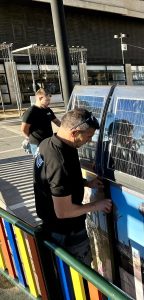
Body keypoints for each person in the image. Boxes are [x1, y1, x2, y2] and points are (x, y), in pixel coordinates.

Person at [34, 108, 112, 265]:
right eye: (88, 136)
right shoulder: (59, 161)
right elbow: (63, 211)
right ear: (75, 133)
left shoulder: (47, 143)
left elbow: (56, 182)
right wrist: (97, 205)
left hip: (52, 226)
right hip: (67, 233)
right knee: (80, 275)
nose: (89, 141)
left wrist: (86, 183)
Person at [21, 88, 61, 155]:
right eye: (47, 100)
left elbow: (57, 122)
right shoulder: (31, 112)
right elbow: (24, 129)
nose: (49, 102)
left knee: (49, 162)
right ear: (40, 98)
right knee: (40, 163)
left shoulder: (48, 110)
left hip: (48, 142)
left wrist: (66, 128)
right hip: (37, 144)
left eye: (49, 100)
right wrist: (31, 138)